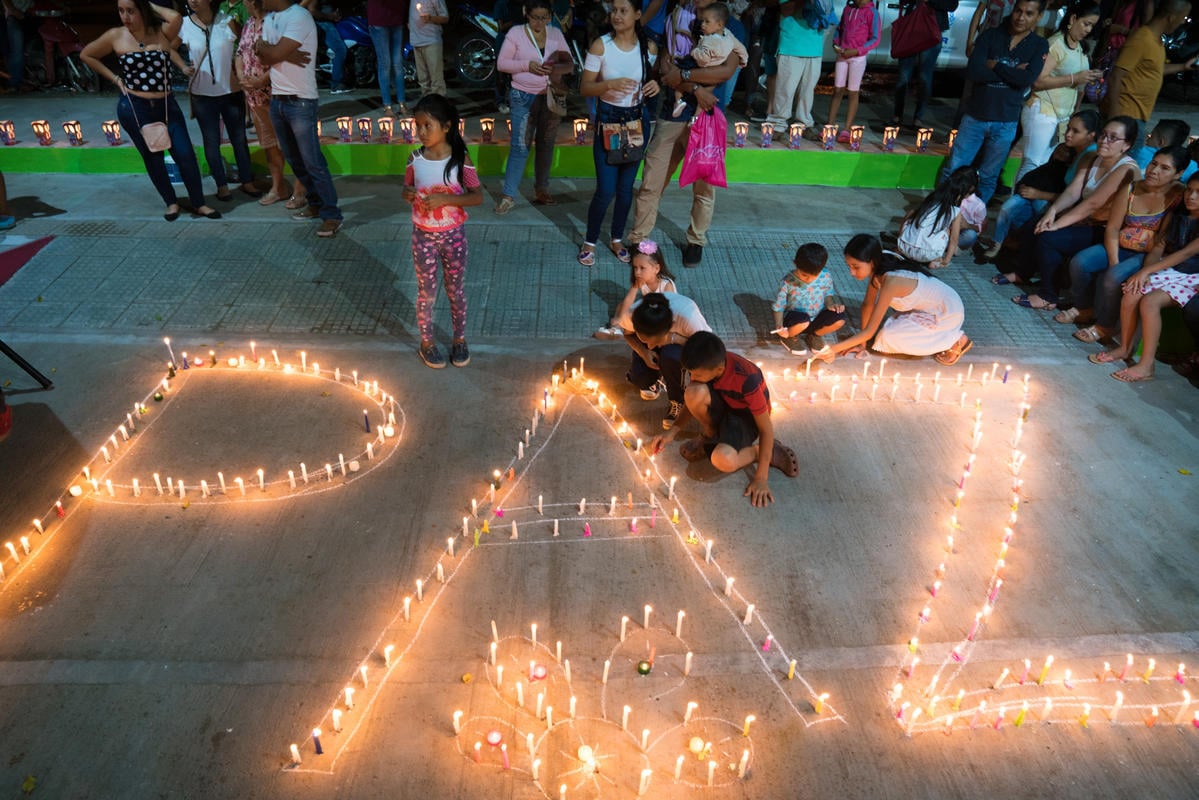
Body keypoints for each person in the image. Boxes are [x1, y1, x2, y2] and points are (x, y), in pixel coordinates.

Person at [81, 0, 221, 221]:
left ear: (143, 11)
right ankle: (171, 203)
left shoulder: (160, 32)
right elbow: (87, 55)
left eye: (131, 11)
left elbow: (175, 17)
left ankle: (199, 203)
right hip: (136, 108)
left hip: (166, 105)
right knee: (153, 156)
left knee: (185, 154)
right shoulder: (116, 35)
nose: (125, 17)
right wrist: (116, 79)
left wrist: (146, 2)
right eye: (120, 11)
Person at [627, 0, 737, 269]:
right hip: (672, 113)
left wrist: (688, 80)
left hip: (707, 117)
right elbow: (666, 66)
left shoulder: (723, 22)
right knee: (652, 180)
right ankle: (639, 238)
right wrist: (695, 87)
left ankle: (696, 241)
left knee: (704, 187)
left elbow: (726, 69)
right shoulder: (677, 15)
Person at [651, 331, 799, 509]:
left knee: (722, 460)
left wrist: (761, 477)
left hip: (745, 418)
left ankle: (759, 453)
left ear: (719, 369)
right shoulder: (706, 363)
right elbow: (692, 402)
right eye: (691, 373)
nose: (693, 378)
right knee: (693, 392)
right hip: (726, 404)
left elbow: (766, 429)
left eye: (696, 374)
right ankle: (709, 435)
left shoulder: (747, 380)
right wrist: (672, 432)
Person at [1007, 115, 1141, 306]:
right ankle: (1023, 274)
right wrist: (1052, 211)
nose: (1104, 141)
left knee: (1049, 237)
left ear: (1126, 145)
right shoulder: (1093, 157)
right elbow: (1073, 191)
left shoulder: (1126, 169)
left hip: (1106, 229)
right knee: (1036, 223)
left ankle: (1048, 295)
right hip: (1085, 220)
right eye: (1104, 135)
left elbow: (1093, 203)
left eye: (1113, 138)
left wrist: (1056, 225)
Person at [1060, 144, 1186, 342]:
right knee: (1080, 263)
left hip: (1148, 254)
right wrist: (1114, 259)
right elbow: (1112, 228)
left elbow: (1161, 242)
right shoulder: (1132, 189)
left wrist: (1146, 271)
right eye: (1154, 163)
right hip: (1119, 245)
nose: (1154, 171)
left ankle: (1105, 326)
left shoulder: (1179, 197)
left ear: (1178, 174)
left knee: (1113, 277)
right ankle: (1085, 307)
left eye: (1165, 168)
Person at [1091, 172, 1199, 381]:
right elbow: (1159, 247)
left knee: (1150, 302)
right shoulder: (1177, 215)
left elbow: (1185, 253)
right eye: (1190, 190)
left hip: (1193, 275)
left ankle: (1146, 365)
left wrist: (1146, 271)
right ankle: (1124, 348)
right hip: (1172, 270)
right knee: (1132, 291)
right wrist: (1146, 273)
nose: (1192, 196)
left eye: (1198, 193)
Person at [402, 94, 483, 369]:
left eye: (428, 126)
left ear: (447, 126)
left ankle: (459, 339)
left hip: (454, 236)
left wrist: (446, 200)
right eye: (418, 126)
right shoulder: (414, 159)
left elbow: (476, 196)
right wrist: (408, 193)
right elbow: (406, 189)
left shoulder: (461, 159)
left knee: (455, 290)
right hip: (422, 236)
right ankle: (427, 342)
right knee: (426, 292)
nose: (421, 132)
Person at [578, 0, 660, 267]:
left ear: (638, 14)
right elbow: (585, 88)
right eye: (613, 10)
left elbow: (651, 79)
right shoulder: (601, 45)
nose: (616, 15)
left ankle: (616, 239)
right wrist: (609, 84)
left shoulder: (648, 47)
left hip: (637, 121)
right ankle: (590, 241)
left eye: (623, 10)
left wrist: (654, 86)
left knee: (626, 190)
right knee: (605, 189)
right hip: (609, 121)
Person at [945, 0, 1049, 205]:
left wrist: (996, 66)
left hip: (1006, 122)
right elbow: (974, 71)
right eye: (1019, 11)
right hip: (975, 116)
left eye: (1029, 13)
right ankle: (942, 212)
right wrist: (1012, 73)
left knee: (988, 175)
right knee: (955, 169)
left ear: (1038, 17)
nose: (1021, 17)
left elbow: (1027, 79)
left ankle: (973, 218)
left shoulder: (1039, 45)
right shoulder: (990, 36)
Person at [256, 0, 344, 237]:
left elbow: (269, 52)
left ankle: (331, 214)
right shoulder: (271, 18)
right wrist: (283, 54)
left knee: (313, 161)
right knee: (295, 160)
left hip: (301, 100)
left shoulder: (299, 16)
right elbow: (263, 55)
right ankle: (315, 204)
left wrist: (275, 51)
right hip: (278, 99)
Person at [819, 234, 972, 364]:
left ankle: (955, 339)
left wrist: (833, 349)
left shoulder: (892, 281)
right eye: (849, 266)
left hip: (948, 312)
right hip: (926, 310)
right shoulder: (878, 266)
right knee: (886, 335)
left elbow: (869, 331)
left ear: (871, 262)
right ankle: (941, 335)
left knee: (888, 338)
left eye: (856, 266)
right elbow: (867, 305)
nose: (851, 272)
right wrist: (862, 344)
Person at [983, 109, 1100, 259]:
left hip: (1067, 208)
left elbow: (1075, 196)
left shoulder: (1089, 156)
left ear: (1091, 135)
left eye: (1075, 131)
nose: (1068, 134)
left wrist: (1038, 194)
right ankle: (999, 241)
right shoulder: (1072, 151)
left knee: (1030, 208)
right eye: (1068, 128)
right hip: (1052, 198)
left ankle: (1017, 246)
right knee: (1009, 207)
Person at [495, 0, 573, 213]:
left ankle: (541, 190)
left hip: (550, 97)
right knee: (520, 146)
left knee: (546, 145)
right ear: (525, 14)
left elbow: (569, 62)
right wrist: (526, 65)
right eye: (535, 17)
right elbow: (502, 63)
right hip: (522, 96)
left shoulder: (555, 33)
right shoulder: (516, 33)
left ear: (550, 16)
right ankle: (508, 195)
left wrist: (554, 68)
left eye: (544, 17)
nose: (540, 22)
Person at [179, 0, 261, 201]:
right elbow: (166, 46)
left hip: (230, 91)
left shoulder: (227, 21)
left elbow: (243, 48)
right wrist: (181, 65)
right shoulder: (184, 24)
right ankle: (221, 185)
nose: (193, 1)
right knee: (211, 141)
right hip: (202, 94)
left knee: (239, 140)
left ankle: (246, 181)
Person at [1016, 3, 1102, 181]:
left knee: (1046, 161)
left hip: (1063, 116)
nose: (1089, 29)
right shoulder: (1056, 44)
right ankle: (1016, 204)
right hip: (1043, 109)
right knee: (1033, 162)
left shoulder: (1080, 47)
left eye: (1092, 25)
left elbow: (1079, 85)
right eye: (1086, 23)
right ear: (1073, 19)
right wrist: (1074, 78)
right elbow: (1038, 81)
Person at [236, 0, 305, 207]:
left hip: (278, 92)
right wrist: (241, 76)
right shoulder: (249, 23)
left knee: (292, 143)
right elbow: (240, 53)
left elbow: (284, 57)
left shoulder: (276, 21)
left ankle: (301, 190)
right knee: (269, 143)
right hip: (254, 96)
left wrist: (261, 80)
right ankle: (278, 187)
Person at [1101, 0, 1197, 137]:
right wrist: (1115, 116)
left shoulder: (1156, 41)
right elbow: (1116, 76)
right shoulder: (1141, 38)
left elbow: (1155, 70)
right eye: (1183, 18)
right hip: (1126, 115)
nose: (1183, 23)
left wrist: (1183, 67)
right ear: (1171, 18)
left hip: (1137, 115)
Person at [621, 290, 711, 429]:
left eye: (654, 341)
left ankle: (677, 400)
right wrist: (644, 351)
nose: (651, 346)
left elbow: (708, 346)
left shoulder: (688, 318)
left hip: (677, 346)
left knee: (670, 356)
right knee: (640, 378)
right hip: (660, 340)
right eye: (645, 340)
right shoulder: (632, 314)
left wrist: (675, 339)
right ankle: (657, 378)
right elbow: (628, 334)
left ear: (669, 329)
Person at [669, 2, 747, 118]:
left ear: (720, 24)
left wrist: (693, 54)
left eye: (707, 22)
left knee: (683, 88)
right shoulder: (727, 34)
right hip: (709, 82)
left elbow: (722, 70)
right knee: (704, 93)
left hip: (706, 80)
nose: (703, 25)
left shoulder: (716, 36)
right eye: (703, 21)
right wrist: (744, 59)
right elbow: (740, 48)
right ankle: (693, 114)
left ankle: (680, 103)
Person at [892, 0, 959, 129]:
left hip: (932, 32)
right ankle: (897, 116)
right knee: (903, 77)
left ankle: (918, 118)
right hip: (911, 30)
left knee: (925, 77)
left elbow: (951, 5)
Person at [772, 241, 847, 355]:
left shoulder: (825, 275)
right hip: (796, 320)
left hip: (816, 318)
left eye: (814, 276)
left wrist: (831, 305)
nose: (808, 280)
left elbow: (828, 294)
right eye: (804, 275)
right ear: (795, 263)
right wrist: (779, 325)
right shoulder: (788, 281)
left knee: (840, 318)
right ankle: (789, 336)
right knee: (803, 320)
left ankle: (814, 335)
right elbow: (779, 306)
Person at [764, 1, 825, 138]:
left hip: (815, 48)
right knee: (785, 89)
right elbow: (786, 9)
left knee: (808, 91)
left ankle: (804, 124)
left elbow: (827, 13)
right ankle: (779, 124)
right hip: (791, 46)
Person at [898, 166, 979, 267]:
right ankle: (935, 260)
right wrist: (945, 261)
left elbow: (909, 216)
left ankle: (903, 247)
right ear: (960, 195)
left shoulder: (931, 199)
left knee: (912, 216)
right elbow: (954, 239)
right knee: (947, 231)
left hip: (904, 248)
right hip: (928, 254)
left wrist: (901, 240)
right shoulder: (955, 211)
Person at [597, 238, 678, 338]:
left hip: (662, 317)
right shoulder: (640, 280)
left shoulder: (666, 286)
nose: (637, 272)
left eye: (642, 268)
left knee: (636, 318)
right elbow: (629, 299)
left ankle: (623, 329)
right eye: (635, 267)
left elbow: (670, 311)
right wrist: (620, 317)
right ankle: (617, 328)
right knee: (621, 306)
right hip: (650, 309)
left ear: (656, 268)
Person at [826, 0, 879, 142]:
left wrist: (857, 50)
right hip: (843, 55)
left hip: (858, 58)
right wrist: (836, 43)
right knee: (837, 90)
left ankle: (847, 129)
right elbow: (840, 28)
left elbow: (875, 38)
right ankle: (829, 126)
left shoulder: (872, 12)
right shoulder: (848, 9)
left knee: (853, 91)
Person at [368, 0, 409, 116]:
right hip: (379, 21)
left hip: (396, 19)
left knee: (398, 64)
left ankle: (402, 104)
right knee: (385, 64)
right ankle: (387, 106)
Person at [302, 0, 349, 93]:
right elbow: (312, 10)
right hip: (322, 23)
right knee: (340, 50)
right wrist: (331, 16)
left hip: (328, 21)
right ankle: (337, 85)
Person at [409, 0, 448, 101]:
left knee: (436, 80)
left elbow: (445, 18)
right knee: (423, 80)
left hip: (431, 41)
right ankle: (427, 106)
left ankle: (439, 106)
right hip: (416, 41)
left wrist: (430, 18)